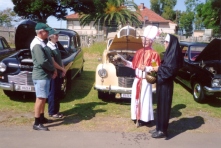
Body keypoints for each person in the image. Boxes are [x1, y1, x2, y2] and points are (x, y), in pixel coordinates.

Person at [119, 25, 161, 126]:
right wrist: (125, 62)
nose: (144, 41)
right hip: (137, 80)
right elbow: (134, 65)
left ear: (151, 41)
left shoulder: (154, 54)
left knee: (144, 100)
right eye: (144, 40)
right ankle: (135, 117)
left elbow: (156, 68)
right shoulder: (138, 52)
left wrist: (146, 68)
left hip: (146, 81)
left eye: (147, 40)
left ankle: (145, 119)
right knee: (135, 98)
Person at [150, 34, 183, 138]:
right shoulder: (168, 54)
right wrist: (158, 68)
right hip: (162, 84)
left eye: (166, 42)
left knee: (164, 108)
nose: (164, 43)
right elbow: (165, 68)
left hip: (166, 85)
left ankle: (162, 130)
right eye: (164, 41)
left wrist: (158, 69)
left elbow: (170, 71)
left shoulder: (173, 56)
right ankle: (158, 127)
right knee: (160, 106)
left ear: (171, 43)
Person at [30, 23, 57, 131]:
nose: (48, 33)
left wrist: (52, 70)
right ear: (40, 32)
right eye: (46, 31)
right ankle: (36, 123)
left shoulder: (41, 42)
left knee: (43, 97)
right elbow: (42, 61)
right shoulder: (37, 44)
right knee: (40, 98)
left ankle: (41, 118)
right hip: (41, 75)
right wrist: (52, 69)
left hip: (44, 75)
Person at [47, 28, 66, 118]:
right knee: (53, 92)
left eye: (57, 35)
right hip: (53, 73)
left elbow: (60, 59)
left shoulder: (56, 45)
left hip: (58, 72)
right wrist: (62, 69)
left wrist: (62, 69)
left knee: (58, 92)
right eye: (56, 35)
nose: (57, 36)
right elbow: (53, 62)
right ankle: (52, 111)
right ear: (51, 37)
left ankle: (56, 111)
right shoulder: (49, 47)